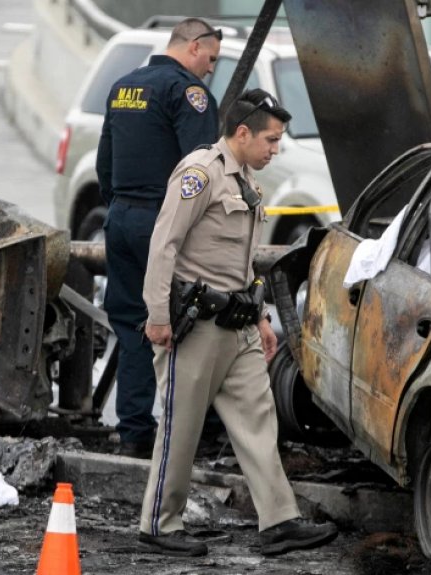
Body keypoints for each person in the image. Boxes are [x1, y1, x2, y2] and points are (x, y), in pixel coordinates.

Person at [137, 89, 338, 557]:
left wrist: (263, 318)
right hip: (197, 325)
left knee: (257, 420)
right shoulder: (200, 174)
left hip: (240, 323)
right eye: (270, 139)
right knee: (180, 425)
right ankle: (158, 525)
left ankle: (279, 521)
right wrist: (157, 316)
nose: (275, 149)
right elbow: (163, 244)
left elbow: (241, 259)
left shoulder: (247, 180)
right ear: (242, 132)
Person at [96, 18, 222, 459]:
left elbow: (104, 163)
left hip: (121, 220)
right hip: (164, 223)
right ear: (192, 46)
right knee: (187, 325)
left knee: (133, 324)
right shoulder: (187, 93)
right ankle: (193, 435)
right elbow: (202, 169)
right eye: (209, 58)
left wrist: (120, 208)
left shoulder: (123, 86)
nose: (209, 69)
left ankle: (133, 432)